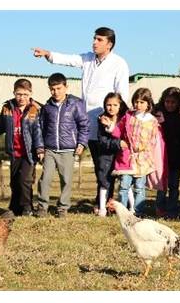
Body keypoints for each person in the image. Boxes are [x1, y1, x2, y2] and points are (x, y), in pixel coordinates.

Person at [32, 27, 130, 208]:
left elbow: (121, 94)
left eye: (99, 40)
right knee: (98, 165)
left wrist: (116, 120)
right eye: (94, 38)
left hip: (107, 122)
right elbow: (69, 59)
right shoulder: (87, 58)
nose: (94, 42)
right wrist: (48, 54)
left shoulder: (119, 63)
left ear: (109, 44)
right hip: (86, 122)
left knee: (105, 165)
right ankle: (102, 201)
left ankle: (106, 203)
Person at [0, 79, 44, 216]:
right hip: (14, 152)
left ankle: (27, 208)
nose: (22, 97)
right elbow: (0, 126)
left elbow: (38, 132)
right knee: (14, 182)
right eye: (19, 94)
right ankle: (14, 208)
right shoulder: (7, 108)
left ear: (30, 93)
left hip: (29, 153)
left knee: (25, 180)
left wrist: (40, 149)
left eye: (25, 94)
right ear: (14, 93)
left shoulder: (35, 109)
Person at [36, 73, 89, 218]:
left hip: (68, 150)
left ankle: (62, 208)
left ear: (66, 87)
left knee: (66, 180)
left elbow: (84, 125)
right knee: (45, 179)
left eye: (59, 88)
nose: (56, 92)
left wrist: (82, 143)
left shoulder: (76, 104)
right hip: (50, 149)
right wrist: (40, 148)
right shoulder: (47, 108)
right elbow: (40, 128)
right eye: (52, 89)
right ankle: (42, 207)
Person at [110, 88, 159, 216]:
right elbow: (118, 130)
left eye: (142, 102)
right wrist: (110, 128)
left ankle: (139, 211)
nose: (138, 105)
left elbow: (154, 141)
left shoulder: (153, 120)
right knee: (124, 186)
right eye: (136, 102)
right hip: (127, 157)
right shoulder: (128, 116)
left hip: (143, 159)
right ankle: (122, 211)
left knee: (139, 187)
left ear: (148, 103)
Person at [153, 87, 180, 219]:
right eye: (167, 101)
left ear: (178, 103)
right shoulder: (158, 116)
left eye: (173, 102)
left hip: (176, 156)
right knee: (161, 185)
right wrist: (161, 123)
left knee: (174, 186)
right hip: (161, 156)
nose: (170, 105)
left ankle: (172, 210)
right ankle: (160, 208)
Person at [96, 92, 129, 216]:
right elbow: (102, 141)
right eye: (108, 105)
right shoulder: (102, 119)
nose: (111, 108)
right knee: (105, 182)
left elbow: (127, 136)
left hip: (123, 156)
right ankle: (102, 208)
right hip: (106, 156)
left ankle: (126, 208)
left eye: (115, 105)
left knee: (125, 183)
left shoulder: (126, 118)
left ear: (120, 105)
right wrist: (118, 144)